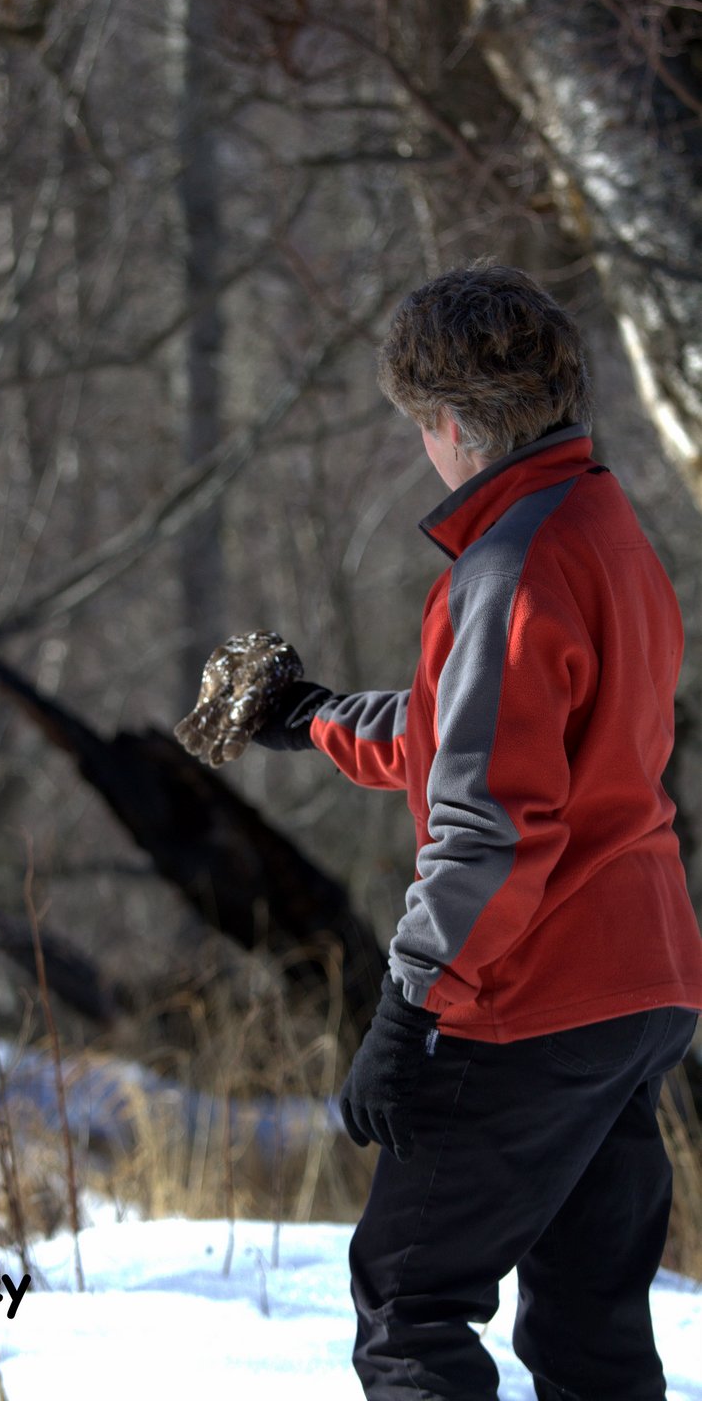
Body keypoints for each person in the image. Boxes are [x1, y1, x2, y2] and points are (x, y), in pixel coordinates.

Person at [252, 263, 702, 1401]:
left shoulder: (509, 566)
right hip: (640, 982)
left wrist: (408, 1009)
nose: (425, 448)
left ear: (451, 423)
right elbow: (485, 728)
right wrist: (314, 719)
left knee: (410, 1300)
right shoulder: (601, 526)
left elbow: (491, 825)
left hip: (533, 994)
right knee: (589, 1323)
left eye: (419, 427)